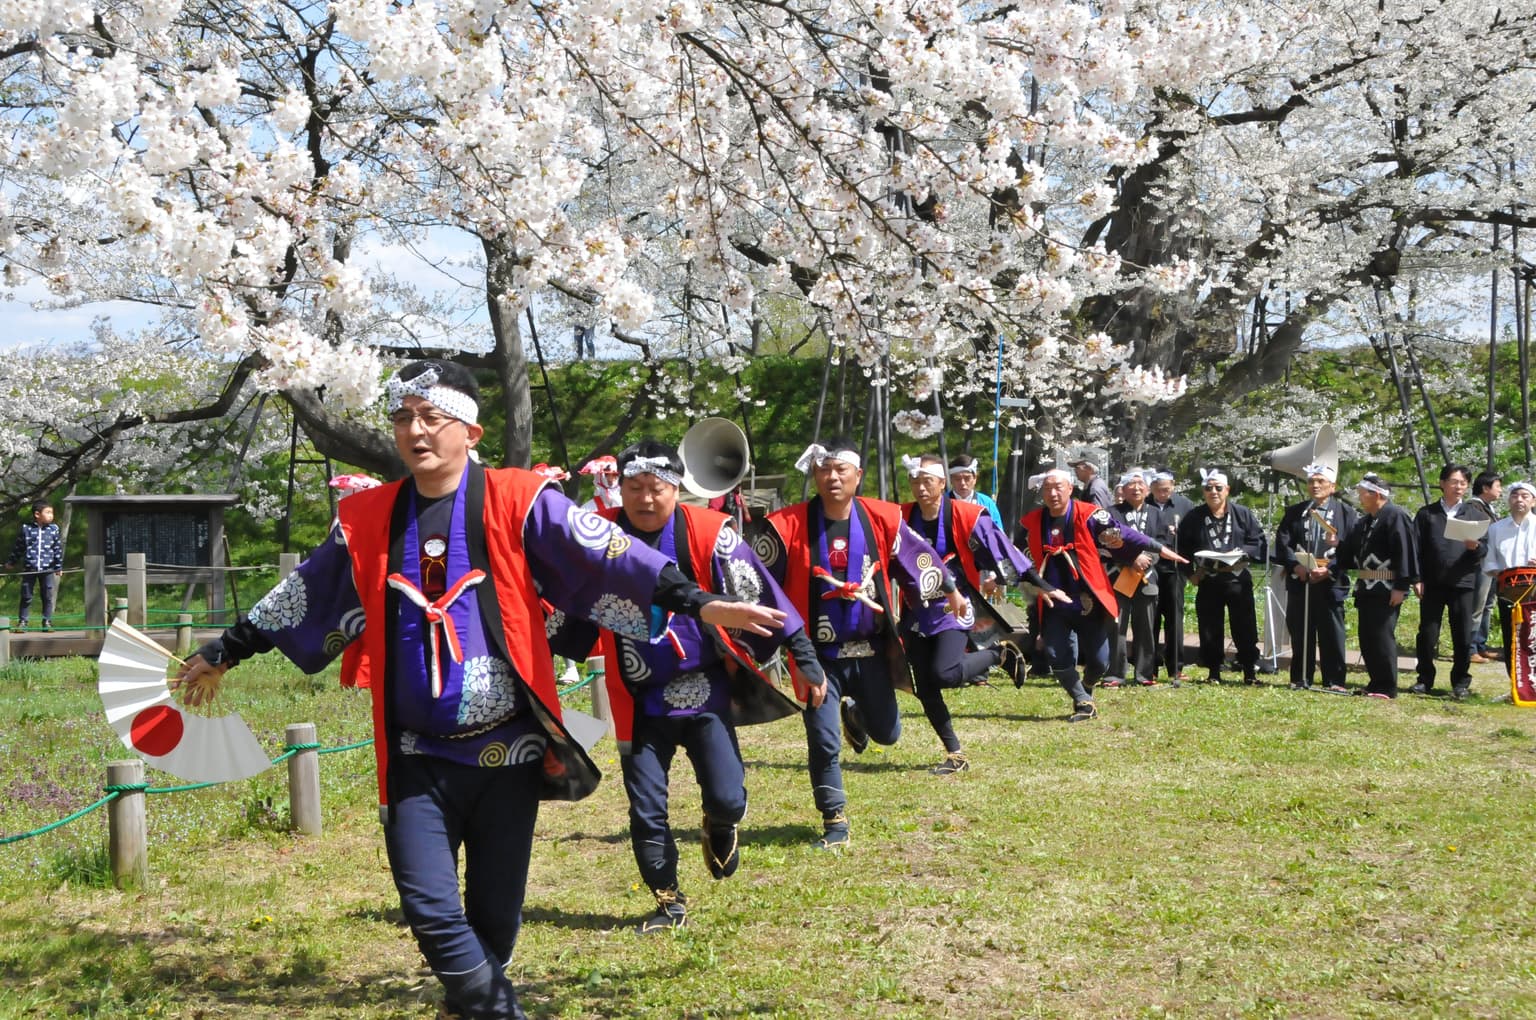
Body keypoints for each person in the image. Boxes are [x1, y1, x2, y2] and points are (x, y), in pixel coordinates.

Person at [174, 361, 789, 1020]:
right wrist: (224, 651)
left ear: (471, 431)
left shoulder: (520, 500)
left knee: (495, 925)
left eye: (432, 417)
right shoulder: (366, 519)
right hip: (416, 754)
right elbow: (305, 593)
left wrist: (698, 602)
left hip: (509, 754)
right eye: (404, 417)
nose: (416, 431)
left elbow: (610, 554)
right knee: (430, 911)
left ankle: (467, 1006)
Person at [550, 440, 824, 933]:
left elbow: (761, 591)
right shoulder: (602, 538)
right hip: (638, 698)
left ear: (675, 489)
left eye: (655, 488)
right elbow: (573, 613)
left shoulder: (708, 533)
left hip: (706, 689)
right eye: (633, 488)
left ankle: (719, 824)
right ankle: (667, 899)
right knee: (647, 805)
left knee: (728, 797)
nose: (645, 499)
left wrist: (803, 658)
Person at [751, 437, 968, 849]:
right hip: (815, 654)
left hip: (869, 649)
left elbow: (915, 556)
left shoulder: (882, 518)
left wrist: (949, 588)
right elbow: (754, 579)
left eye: (841, 470)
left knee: (888, 734)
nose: (832, 477)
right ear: (815, 474)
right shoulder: (786, 525)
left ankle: (857, 716)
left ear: (857, 476)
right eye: (824, 470)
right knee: (823, 740)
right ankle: (835, 824)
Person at [900, 454, 1062, 774]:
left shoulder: (966, 514)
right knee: (925, 685)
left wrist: (1038, 583)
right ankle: (955, 753)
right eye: (915, 481)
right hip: (915, 607)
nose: (920, 488)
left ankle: (997, 655)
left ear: (942, 483)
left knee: (945, 673)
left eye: (927, 481)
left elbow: (1002, 550)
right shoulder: (901, 516)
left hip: (954, 605)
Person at [1019, 468, 1184, 722]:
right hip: (1054, 597)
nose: (1053, 493)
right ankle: (1083, 701)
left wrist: (1159, 548)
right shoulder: (1033, 521)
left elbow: (1121, 534)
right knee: (1055, 652)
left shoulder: (1090, 515)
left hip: (1088, 598)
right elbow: (1017, 554)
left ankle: (1086, 686)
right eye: (1048, 488)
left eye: (1058, 487)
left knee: (1099, 662)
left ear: (1070, 489)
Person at [1176, 470, 1267, 685]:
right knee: (1209, 627)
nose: (1213, 492)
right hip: (1209, 579)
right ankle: (1214, 671)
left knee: (1245, 627)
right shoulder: (1194, 517)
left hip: (1237, 579)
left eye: (1218, 488)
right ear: (1203, 492)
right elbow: (1182, 548)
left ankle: (1249, 671)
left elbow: (1258, 542)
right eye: (1208, 488)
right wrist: (1191, 574)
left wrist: (1241, 553)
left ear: (1227, 490)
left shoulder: (1242, 514)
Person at [1273, 464, 1357, 692]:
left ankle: (1335, 680)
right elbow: (1283, 543)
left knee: (1332, 632)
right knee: (1300, 631)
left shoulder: (1346, 513)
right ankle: (1301, 676)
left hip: (1330, 580)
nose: (1315, 485)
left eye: (1321, 481)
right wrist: (1294, 566)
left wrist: (1330, 569)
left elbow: (1351, 548)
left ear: (1333, 486)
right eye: (1311, 481)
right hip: (1301, 579)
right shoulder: (1295, 512)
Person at [1411, 464, 1488, 700]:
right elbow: (1416, 549)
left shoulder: (1475, 515)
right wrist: (1417, 579)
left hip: (1462, 583)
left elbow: (1484, 549)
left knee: (1463, 634)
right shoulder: (1427, 514)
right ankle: (1424, 679)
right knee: (1427, 633)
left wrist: (1475, 547)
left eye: (1463, 483)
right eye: (1453, 481)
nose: (1458, 486)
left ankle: (1460, 681)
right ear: (1442, 483)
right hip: (1433, 582)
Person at [1338, 474, 1418, 698]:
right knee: (1368, 636)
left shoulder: (1396, 516)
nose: (1359, 496)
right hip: (1367, 586)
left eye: (1362, 492)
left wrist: (1401, 586)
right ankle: (1376, 682)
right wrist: (1337, 544)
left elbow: (1405, 552)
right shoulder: (1365, 521)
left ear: (1376, 494)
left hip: (1387, 585)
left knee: (1382, 635)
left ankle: (1387, 685)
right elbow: (1351, 553)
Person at [1107, 471, 1165, 687]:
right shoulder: (1111, 513)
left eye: (1141, 484)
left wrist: (1146, 560)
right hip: (1119, 575)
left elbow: (1162, 542)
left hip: (1147, 576)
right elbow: (1107, 541)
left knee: (1146, 625)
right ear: (1123, 489)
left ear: (1148, 489)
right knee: (1117, 626)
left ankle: (1145, 673)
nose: (1136, 488)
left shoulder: (1157, 514)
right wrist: (1131, 558)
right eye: (1131, 484)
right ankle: (1115, 673)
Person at [1148, 471, 1196, 682]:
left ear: (1173, 487)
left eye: (1166, 489)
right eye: (1158, 489)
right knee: (1150, 618)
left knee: (1174, 618)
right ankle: (1149, 666)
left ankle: (1175, 666)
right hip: (1150, 567)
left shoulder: (1185, 506)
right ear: (1151, 488)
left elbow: (1194, 535)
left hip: (1174, 568)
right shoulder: (1145, 504)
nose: (1162, 493)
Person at [1484, 480, 1536, 670]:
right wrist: (1498, 571)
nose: (1519, 500)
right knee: (1510, 634)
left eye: (1525, 496)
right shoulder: (1496, 528)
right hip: (1508, 589)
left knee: (1533, 635)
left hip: (1534, 588)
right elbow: (1490, 558)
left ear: (1533, 501)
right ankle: (1515, 681)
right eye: (1515, 496)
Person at [5, 501, 64, 632]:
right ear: (37, 514)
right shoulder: (26, 529)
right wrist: (11, 562)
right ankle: (22, 622)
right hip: (29, 569)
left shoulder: (53, 529)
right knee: (26, 595)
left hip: (48, 569)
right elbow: (19, 547)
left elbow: (57, 549)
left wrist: (58, 566)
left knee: (47, 595)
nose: (51, 515)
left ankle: (47, 622)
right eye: (48, 512)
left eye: (52, 513)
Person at [1468, 471, 1503, 662]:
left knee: (1487, 605)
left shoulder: (1487, 508)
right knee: (1477, 606)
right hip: (1478, 563)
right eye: (1498, 486)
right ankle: (1470, 647)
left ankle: (1480, 644)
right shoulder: (1472, 507)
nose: (1500, 490)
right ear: (1485, 488)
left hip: (1490, 563)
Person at [947, 455, 1003, 525]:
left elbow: (997, 533)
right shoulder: (942, 503)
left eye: (967, 478)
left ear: (975, 478)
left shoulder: (987, 503)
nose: (962, 483)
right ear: (951, 480)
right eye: (957, 479)